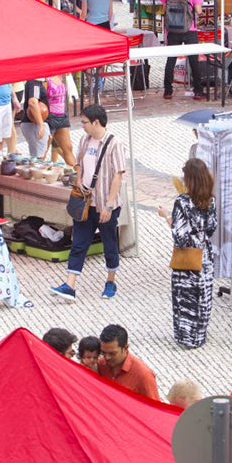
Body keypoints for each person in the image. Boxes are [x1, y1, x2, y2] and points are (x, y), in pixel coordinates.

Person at [52, 105, 127, 301]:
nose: (82, 125)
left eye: (85, 122)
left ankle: (111, 281)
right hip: (86, 201)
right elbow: (80, 164)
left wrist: (109, 205)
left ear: (96, 122)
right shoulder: (85, 140)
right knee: (79, 242)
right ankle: (70, 285)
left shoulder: (114, 144)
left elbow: (117, 176)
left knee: (109, 243)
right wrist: (79, 179)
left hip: (104, 204)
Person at [158, 158, 218, 348]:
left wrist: (166, 216)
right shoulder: (211, 200)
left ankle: (186, 337)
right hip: (205, 257)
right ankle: (200, 337)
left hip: (187, 260)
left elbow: (180, 236)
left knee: (185, 299)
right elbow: (211, 229)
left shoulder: (182, 202)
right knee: (202, 297)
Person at [160, 0, 208, 101]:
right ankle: (198, 91)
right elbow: (198, 10)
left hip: (172, 29)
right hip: (190, 28)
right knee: (194, 59)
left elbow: (163, 9)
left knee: (171, 59)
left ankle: (168, 91)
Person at [97, 324, 159, 400]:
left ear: (126, 348)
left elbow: (154, 408)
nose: (106, 357)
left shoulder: (143, 375)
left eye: (112, 353)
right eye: (103, 353)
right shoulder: (99, 365)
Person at [19, 76, 51, 158]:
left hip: (33, 123)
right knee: (38, 158)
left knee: (37, 156)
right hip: (33, 124)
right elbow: (33, 102)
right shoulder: (35, 83)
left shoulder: (36, 82)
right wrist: (41, 125)